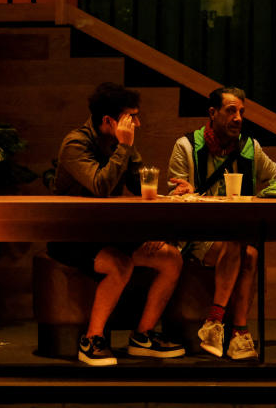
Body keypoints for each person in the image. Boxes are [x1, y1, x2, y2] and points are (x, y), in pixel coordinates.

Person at [47, 82, 186, 366]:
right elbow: (100, 186)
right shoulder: (76, 144)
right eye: (130, 117)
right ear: (109, 121)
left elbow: (139, 187)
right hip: (72, 234)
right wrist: (124, 146)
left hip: (107, 230)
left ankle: (142, 336)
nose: (137, 123)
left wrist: (172, 195)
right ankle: (92, 340)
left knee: (171, 258)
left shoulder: (124, 144)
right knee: (119, 264)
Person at [167, 86, 276, 360]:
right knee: (242, 244)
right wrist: (182, 191)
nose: (238, 118)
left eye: (241, 112)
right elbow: (174, 196)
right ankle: (232, 329)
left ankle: (228, 329)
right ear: (212, 113)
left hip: (234, 237)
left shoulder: (250, 147)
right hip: (196, 237)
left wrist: (259, 197)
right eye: (231, 111)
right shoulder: (186, 147)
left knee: (248, 251)